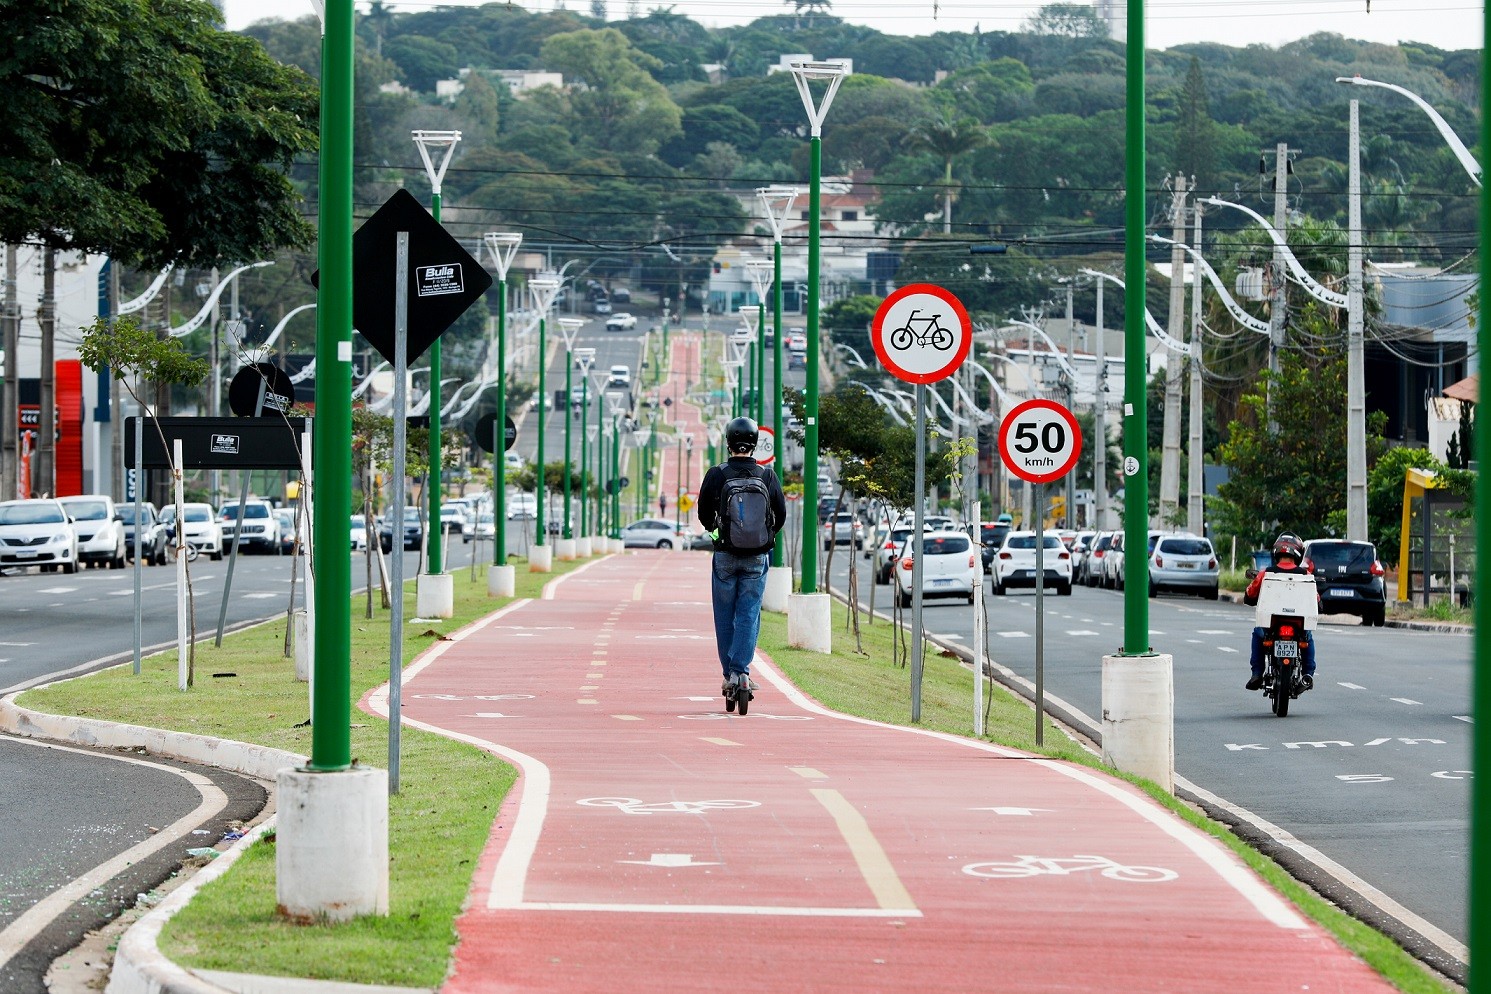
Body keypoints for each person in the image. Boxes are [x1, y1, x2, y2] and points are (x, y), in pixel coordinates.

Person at [696, 417, 787, 698]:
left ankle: (729, 675)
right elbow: (780, 515)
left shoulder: (717, 474)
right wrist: (762, 538)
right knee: (749, 613)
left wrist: (717, 532)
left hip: (724, 554)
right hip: (757, 557)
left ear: (728, 443)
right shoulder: (767, 476)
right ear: (754, 444)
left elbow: (703, 514)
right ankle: (742, 671)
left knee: (724, 616)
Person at [1242, 533, 1317, 691]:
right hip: (1298, 626)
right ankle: (1308, 675)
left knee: (1258, 634)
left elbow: (1250, 594)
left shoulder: (1266, 573)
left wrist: (1249, 596)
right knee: (1307, 639)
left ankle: (1257, 674)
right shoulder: (1306, 576)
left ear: (1276, 553)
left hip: (1271, 625)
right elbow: (1316, 600)